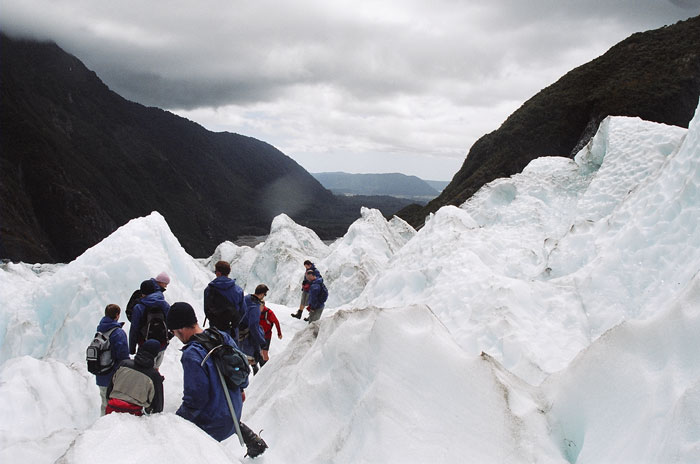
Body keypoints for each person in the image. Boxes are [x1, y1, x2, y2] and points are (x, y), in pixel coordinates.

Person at [166, 302, 267, 457]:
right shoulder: (221, 336)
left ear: (180, 329)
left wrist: (175, 421)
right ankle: (252, 439)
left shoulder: (192, 355)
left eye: (173, 332)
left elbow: (196, 400)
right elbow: (241, 365)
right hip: (234, 409)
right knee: (221, 409)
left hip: (213, 425)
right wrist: (241, 389)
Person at [105, 339, 164, 416]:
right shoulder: (154, 375)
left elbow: (109, 390)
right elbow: (158, 407)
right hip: (133, 415)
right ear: (156, 354)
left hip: (112, 410)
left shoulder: (123, 364)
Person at [94, 304, 130, 415]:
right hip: (114, 376)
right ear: (117, 315)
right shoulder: (118, 333)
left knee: (104, 404)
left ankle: (101, 426)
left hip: (101, 374)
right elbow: (123, 356)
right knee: (115, 405)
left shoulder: (100, 331)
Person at [128, 279, 171, 368]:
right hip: (161, 344)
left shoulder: (139, 307)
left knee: (144, 370)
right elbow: (171, 322)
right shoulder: (164, 304)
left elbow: (134, 329)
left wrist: (132, 348)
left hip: (144, 344)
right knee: (155, 369)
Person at [204, 260, 245, 338]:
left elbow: (207, 310)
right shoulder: (238, 290)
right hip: (232, 331)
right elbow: (243, 310)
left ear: (218, 273)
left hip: (215, 331)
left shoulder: (209, 290)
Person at [240, 284, 268, 374]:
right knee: (255, 353)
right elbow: (254, 327)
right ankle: (259, 371)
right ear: (262, 294)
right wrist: (262, 342)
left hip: (238, 329)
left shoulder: (246, 298)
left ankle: (254, 366)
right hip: (246, 334)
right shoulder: (255, 308)